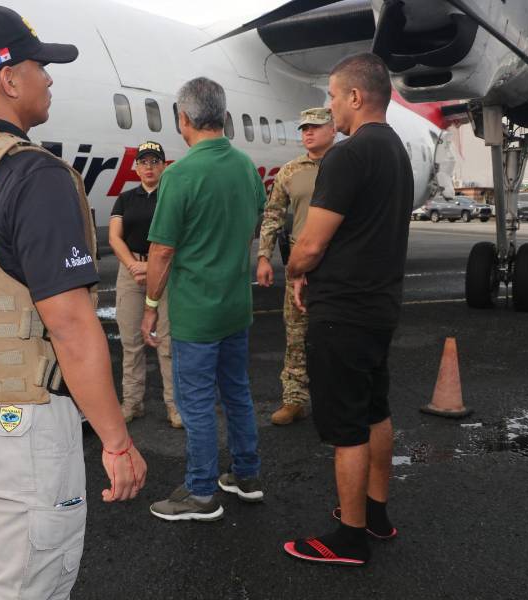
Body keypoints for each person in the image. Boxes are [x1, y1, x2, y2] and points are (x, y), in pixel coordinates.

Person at [0, 6, 147, 597]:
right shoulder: (32, 174)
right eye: (39, 66)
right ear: (9, 79)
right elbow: (70, 325)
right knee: (29, 582)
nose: (48, 78)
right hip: (19, 421)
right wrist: (117, 441)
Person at [283, 53, 413, 566]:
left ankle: (350, 537)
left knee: (346, 429)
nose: (330, 105)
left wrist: (295, 270)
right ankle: (375, 513)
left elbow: (312, 243)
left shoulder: (347, 155)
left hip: (342, 312)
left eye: (334, 96)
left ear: (356, 97)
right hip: (380, 306)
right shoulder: (396, 150)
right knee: (375, 409)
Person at [142, 77, 266, 522]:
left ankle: (199, 493)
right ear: (224, 116)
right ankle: (246, 475)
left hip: (197, 312)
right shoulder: (246, 167)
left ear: (184, 119)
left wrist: (151, 307)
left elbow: (162, 251)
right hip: (236, 307)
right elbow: (253, 227)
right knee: (237, 393)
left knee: (195, 403)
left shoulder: (180, 174)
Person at [257, 108, 336, 426]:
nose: (308, 133)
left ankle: (336, 399)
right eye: (304, 128)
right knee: (295, 335)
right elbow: (273, 214)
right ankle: (294, 399)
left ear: (333, 129)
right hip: (301, 266)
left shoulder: (346, 166)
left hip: (338, 265)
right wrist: (264, 257)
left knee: (336, 335)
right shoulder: (290, 171)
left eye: (315, 126)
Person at [109, 141, 181, 428]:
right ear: (136, 168)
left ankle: (174, 406)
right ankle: (132, 403)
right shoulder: (125, 199)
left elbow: (179, 238)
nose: (149, 167)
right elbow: (115, 237)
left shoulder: (172, 196)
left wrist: (150, 266)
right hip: (131, 273)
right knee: (131, 343)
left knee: (167, 343)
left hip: (164, 271)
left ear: (164, 166)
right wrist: (132, 265)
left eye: (154, 161)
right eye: (143, 162)